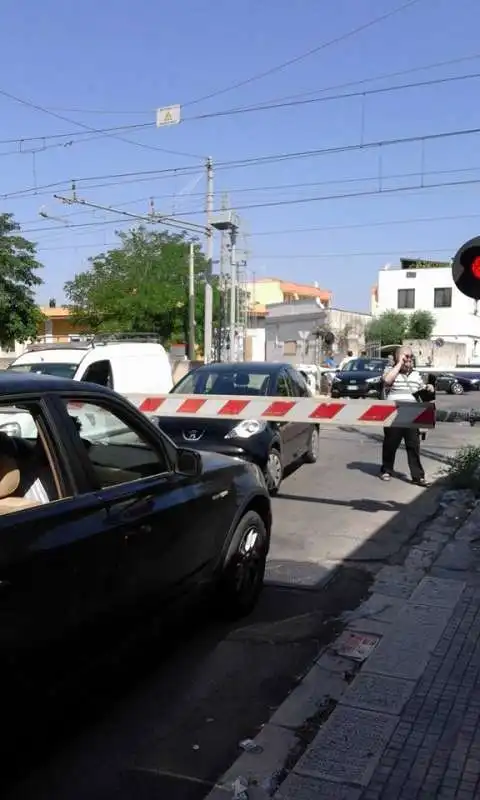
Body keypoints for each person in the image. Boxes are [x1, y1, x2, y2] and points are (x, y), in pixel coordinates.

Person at [380, 346, 434, 486]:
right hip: (393, 413)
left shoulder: (417, 375)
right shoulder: (390, 371)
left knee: (413, 446)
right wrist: (399, 364)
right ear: (398, 357)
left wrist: (428, 389)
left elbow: (422, 396)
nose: (408, 359)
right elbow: (387, 381)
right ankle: (387, 469)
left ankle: (418, 476)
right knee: (390, 444)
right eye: (405, 356)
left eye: (410, 357)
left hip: (412, 414)